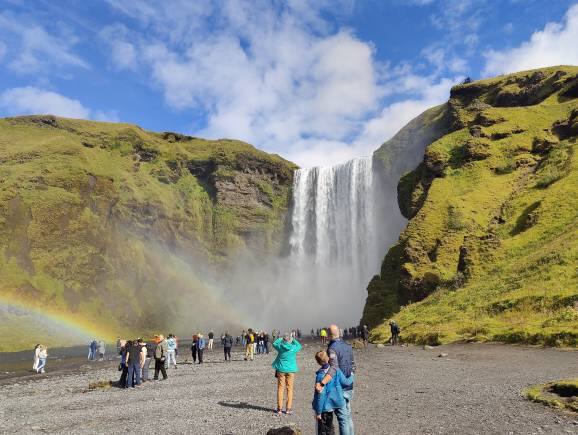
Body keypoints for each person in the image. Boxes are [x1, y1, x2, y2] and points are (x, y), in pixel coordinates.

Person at [316, 325, 355, 435]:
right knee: (348, 416)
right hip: (349, 384)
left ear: (329, 335)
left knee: (342, 419)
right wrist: (351, 378)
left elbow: (333, 367)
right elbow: (353, 366)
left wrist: (322, 383)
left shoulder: (332, 348)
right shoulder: (348, 345)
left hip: (340, 387)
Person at [272, 333, 302, 415]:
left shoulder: (280, 347)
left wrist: (281, 338)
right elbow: (299, 345)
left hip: (281, 370)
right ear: (290, 341)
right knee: (290, 389)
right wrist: (293, 339)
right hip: (291, 370)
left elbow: (274, 343)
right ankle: (288, 409)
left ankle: (279, 409)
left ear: (283, 340)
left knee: (280, 388)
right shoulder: (293, 348)